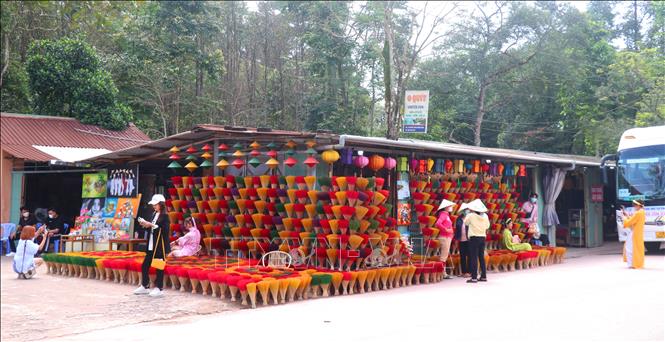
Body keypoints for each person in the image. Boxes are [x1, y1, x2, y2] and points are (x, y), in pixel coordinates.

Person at [134, 194, 170, 297]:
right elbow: (152, 228)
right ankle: (145, 286)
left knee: (159, 266)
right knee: (145, 265)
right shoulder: (154, 214)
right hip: (151, 244)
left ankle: (159, 288)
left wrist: (152, 225)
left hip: (160, 246)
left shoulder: (165, 216)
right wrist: (146, 225)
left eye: (155, 204)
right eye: (153, 205)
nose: (154, 206)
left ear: (161, 205)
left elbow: (165, 231)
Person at [464, 199, 490, 283]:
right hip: (482, 237)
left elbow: (466, 223)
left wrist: (467, 214)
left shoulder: (471, 215)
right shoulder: (485, 216)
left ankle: (474, 277)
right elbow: (487, 226)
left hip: (474, 238)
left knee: (474, 257)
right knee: (481, 257)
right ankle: (483, 276)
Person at [434, 199, 456, 279]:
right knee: (443, 256)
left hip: (447, 237)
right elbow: (438, 223)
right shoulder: (443, 215)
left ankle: (443, 272)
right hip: (445, 237)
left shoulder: (446, 215)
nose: (451, 207)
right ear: (446, 207)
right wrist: (446, 229)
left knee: (444, 256)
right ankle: (442, 273)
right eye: (449, 206)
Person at [621, 200, 645, 269]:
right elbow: (633, 220)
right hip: (637, 233)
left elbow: (629, 223)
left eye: (635, 205)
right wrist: (627, 216)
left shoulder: (638, 213)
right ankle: (635, 263)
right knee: (636, 248)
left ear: (638, 205)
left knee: (629, 248)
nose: (634, 206)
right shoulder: (642, 212)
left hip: (634, 233)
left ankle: (632, 264)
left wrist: (624, 217)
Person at [454, 203, 471, 278]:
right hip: (461, 240)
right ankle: (464, 272)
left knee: (469, 256)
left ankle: (469, 271)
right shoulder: (459, 219)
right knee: (462, 256)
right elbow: (457, 228)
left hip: (468, 240)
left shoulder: (470, 218)